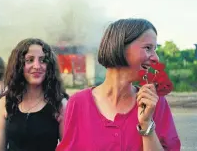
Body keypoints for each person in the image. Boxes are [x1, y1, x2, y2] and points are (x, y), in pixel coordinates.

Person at [57, 18, 181, 151]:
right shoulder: (78, 103)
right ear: (120, 47)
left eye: (154, 49)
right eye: (148, 48)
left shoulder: (155, 103)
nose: (156, 58)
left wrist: (146, 125)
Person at [0, 38, 68, 151]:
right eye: (30, 60)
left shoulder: (60, 104)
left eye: (43, 60)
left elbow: (69, 147)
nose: (37, 66)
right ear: (18, 65)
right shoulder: (5, 103)